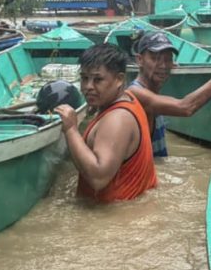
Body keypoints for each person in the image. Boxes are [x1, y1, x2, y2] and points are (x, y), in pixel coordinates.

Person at [54, 44, 157, 203]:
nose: (88, 87)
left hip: (114, 217)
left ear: (119, 79)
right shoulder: (128, 97)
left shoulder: (118, 118)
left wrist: (71, 129)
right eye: (84, 78)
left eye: (98, 80)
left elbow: (98, 179)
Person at [129, 31, 211, 157]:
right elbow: (185, 107)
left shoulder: (153, 92)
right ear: (139, 60)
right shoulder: (136, 93)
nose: (162, 65)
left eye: (168, 60)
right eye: (155, 59)